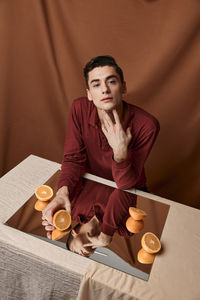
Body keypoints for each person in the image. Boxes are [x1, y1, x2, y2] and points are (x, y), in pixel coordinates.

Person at [42, 55, 160, 241]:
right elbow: (73, 159)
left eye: (111, 81)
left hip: (126, 188)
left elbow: (125, 184)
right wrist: (62, 191)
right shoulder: (79, 108)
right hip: (89, 182)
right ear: (89, 93)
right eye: (96, 84)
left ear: (124, 87)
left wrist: (120, 155)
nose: (104, 89)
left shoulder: (147, 125)